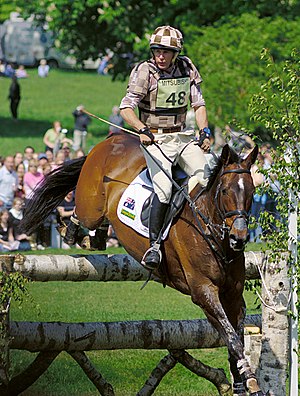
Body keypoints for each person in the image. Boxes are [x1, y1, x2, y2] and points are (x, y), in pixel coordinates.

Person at [119, 26, 211, 269]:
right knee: (163, 190)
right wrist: (141, 128)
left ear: (176, 52)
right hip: (156, 140)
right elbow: (126, 108)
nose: (160, 56)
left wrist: (205, 131)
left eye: (166, 52)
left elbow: (198, 104)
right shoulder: (144, 72)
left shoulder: (187, 68)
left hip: (182, 137)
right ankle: (154, 245)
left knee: (206, 177)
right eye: (157, 51)